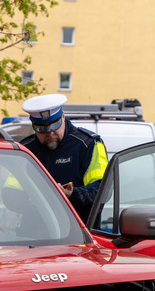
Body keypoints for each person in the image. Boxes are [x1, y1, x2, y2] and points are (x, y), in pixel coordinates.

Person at [19, 94, 108, 222]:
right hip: (35, 235)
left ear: (63, 116)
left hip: (78, 234)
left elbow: (101, 191)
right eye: (43, 129)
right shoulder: (26, 150)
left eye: (54, 126)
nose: (50, 133)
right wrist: (30, 202)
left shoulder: (88, 144)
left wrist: (72, 195)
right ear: (33, 125)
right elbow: (10, 193)